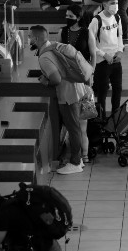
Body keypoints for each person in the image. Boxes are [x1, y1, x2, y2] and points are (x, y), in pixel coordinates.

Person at [29, 25, 86, 175]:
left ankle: (76, 162)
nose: (28, 39)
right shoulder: (54, 46)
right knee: (75, 127)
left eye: (30, 37)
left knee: (73, 128)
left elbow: (56, 78)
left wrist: (45, 82)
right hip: (76, 88)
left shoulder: (44, 57)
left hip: (68, 95)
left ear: (36, 39)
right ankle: (77, 159)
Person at [57, 5, 98, 163]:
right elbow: (58, 53)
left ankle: (84, 155)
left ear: (78, 18)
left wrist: (91, 74)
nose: (67, 18)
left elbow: (93, 55)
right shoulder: (63, 32)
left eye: (70, 16)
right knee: (69, 122)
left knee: (82, 122)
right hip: (67, 80)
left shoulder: (87, 33)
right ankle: (74, 154)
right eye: (66, 15)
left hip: (83, 81)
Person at [88, 0, 125, 117]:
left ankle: (115, 117)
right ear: (104, 4)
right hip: (102, 62)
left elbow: (120, 36)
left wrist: (120, 50)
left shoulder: (117, 18)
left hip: (116, 60)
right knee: (102, 93)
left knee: (118, 89)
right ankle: (101, 119)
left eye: (116, 3)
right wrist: (104, 55)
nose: (115, 6)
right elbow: (91, 44)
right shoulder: (96, 21)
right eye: (112, 3)